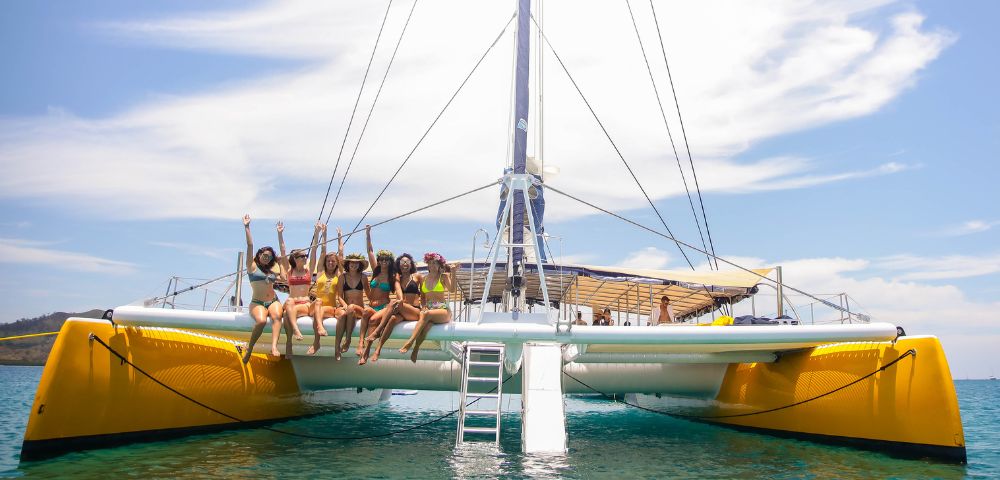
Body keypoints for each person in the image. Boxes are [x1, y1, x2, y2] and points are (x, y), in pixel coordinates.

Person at [241, 214, 286, 363]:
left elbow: (284, 278)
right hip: (257, 302)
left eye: (269, 256)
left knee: (277, 316)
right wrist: (247, 227)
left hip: (273, 301)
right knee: (260, 321)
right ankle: (250, 348)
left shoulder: (273, 269)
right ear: (259, 255)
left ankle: (274, 347)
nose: (266, 257)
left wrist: (280, 235)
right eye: (264, 255)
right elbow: (249, 246)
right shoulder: (252, 267)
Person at [399, 253, 458, 362]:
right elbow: (423, 297)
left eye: (435, 263)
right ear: (427, 265)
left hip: (443, 310)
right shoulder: (424, 278)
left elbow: (452, 290)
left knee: (425, 314)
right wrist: (424, 305)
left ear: (439, 264)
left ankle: (410, 342)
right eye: (430, 263)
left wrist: (453, 272)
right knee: (426, 326)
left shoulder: (444, 276)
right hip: (429, 310)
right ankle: (416, 349)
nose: (432, 265)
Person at [357, 225, 403, 365]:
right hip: (371, 306)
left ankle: (367, 352)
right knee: (365, 312)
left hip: (383, 306)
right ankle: (360, 343)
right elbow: (370, 251)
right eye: (381, 260)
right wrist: (368, 234)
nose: (383, 262)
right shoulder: (376, 272)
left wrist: (400, 299)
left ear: (390, 262)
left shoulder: (392, 276)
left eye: (386, 260)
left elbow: (398, 288)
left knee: (372, 320)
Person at [368, 253, 423, 362]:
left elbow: (425, 294)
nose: (405, 264)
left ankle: (377, 330)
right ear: (398, 265)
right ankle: (378, 349)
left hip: (413, 311)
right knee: (392, 319)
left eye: (407, 262)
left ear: (411, 264)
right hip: (401, 311)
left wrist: (425, 306)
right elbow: (377, 267)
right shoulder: (397, 278)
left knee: (394, 303)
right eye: (402, 262)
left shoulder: (418, 276)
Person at [277, 221, 321, 357]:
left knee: (288, 313)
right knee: (289, 304)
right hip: (292, 302)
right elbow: (283, 251)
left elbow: (314, 251)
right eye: (302, 256)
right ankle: (291, 338)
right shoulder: (290, 271)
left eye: (305, 256)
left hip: (305, 304)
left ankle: (291, 340)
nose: (305, 258)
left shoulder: (309, 270)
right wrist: (280, 234)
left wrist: (317, 232)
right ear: (295, 259)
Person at [307, 224, 346, 355]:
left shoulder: (338, 276)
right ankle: (318, 335)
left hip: (329, 307)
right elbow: (322, 251)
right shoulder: (320, 273)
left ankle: (316, 342)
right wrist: (323, 233)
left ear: (336, 263)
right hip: (315, 305)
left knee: (321, 309)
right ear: (325, 262)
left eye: (333, 261)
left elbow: (341, 254)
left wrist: (340, 238)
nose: (330, 263)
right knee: (318, 302)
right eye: (328, 261)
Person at [334, 252, 370, 361]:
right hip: (345, 307)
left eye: (356, 263)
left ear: (360, 265)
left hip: (358, 309)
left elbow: (369, 295)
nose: (354, 265)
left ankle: (348, 339)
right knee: (341, 316)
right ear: (348, 264)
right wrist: (345, 305)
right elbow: (339, 296)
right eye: (351, 263)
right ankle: (336, 348)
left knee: (352, 307)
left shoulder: (363, 277)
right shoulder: (342, 277)